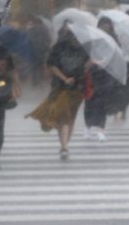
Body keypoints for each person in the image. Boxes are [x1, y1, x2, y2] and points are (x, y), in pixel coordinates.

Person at [26, 23, 90, 160]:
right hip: (60, 87)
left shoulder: (85, 49)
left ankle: (65, 144)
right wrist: (65, 78)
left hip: (78, 88)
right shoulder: (59, 47)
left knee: (70, 118)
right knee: (64, 117)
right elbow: (52, 65)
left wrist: (90, 64)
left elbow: (85, 68)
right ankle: (64, 146)